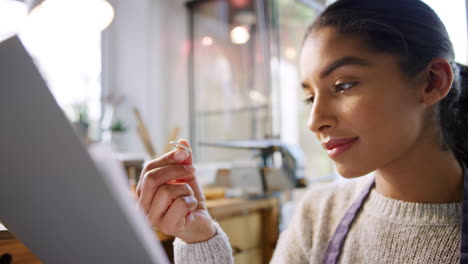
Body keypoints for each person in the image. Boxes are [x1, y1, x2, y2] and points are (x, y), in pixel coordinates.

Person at [136, 0, 468, 263]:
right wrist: (199, 242)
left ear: (432, 82)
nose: (314, 120)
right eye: (310, 96)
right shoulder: (318, 215)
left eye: (344, 84)